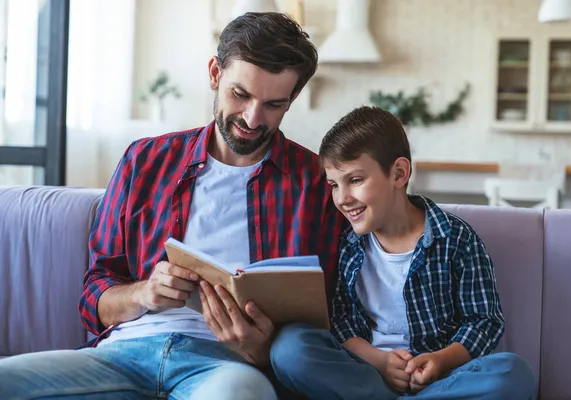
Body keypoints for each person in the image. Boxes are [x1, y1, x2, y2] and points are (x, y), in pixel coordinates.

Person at [0, 12, 344, 400]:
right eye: (240, 94)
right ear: (215, 73)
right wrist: (143, 292)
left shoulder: (315, 184)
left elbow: (329, 314)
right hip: (122, 355)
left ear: (292, 99)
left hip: (225, 366)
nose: (252, 118)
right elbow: (95, 294)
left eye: (273, 105)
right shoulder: (145, 160)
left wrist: (262, 350)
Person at [270, 106, 538, 399]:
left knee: (513, 373)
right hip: (367, 372)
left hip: (439, 381)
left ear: (399, 173)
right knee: (289, 348)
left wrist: (439, 361)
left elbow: (484, 321)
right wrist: (381, 363)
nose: (342, 199)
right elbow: (341, 322)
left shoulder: (456, 239)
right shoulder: (348, 244)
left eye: (355, 180)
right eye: (334, 185)